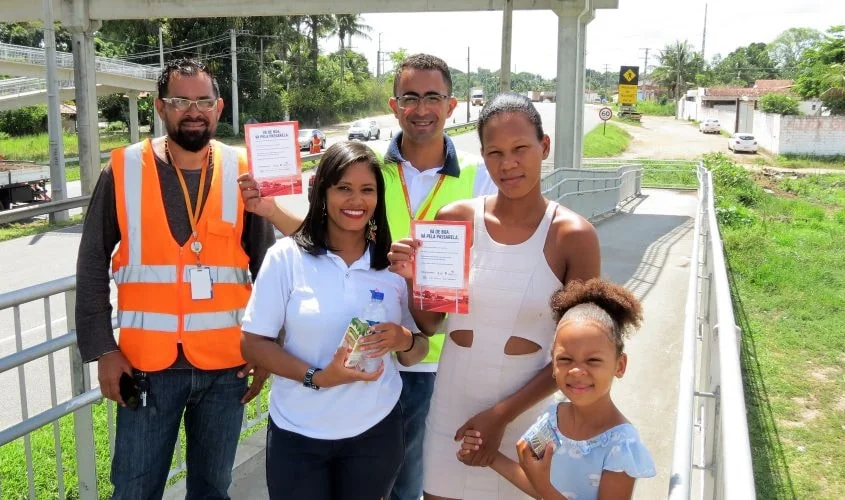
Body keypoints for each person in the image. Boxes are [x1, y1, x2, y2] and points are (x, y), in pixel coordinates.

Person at [238, 54, 497, 500]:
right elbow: (318, 236)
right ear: (394, 106)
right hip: (373, 367)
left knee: (413, 483)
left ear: (452, 105)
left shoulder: (480, 176)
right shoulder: (366, 162)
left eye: (432, 97)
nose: (421, 108)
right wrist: (271, 210)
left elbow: (495, 263)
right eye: (410, 97)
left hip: (437, 355)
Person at [74, 58, 275, 499]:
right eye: (181, 101)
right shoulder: (124, 170)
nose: (193, 110)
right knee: (134, 489)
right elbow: (91, 263)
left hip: (226, 368)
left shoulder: (242, 172)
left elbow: (269, 266)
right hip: (147, 367)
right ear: (161, 107)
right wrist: (103, 349)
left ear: (219, 108)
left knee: (212, 489)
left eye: (203, 100)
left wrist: (268, 346)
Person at [388, 92, 602, 500]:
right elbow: (431, 324)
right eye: (495, 153)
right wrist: (418, 280)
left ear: (544, 146)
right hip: (450, 410)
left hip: (526, 419)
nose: (508, 164)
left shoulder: (573, 236)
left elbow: (578, 356)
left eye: (521, 148)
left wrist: (500, 417)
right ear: (483, 157)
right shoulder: (454, 219)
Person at [239, 140, 431, 500]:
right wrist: (319, 378)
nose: (355, 201)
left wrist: (403, 338)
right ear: (322, 192)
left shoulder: (392, 267)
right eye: (343, 188)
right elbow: (253, 343)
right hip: (297, 434)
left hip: (375, 432)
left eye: (366, 190)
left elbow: (417, 349)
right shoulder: (286, 257)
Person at [459, 279, 656, 499]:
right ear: (553, 365)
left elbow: (543, 487)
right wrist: (489, 457)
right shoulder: (552, 418)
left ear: (620, 366)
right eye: (565, 359)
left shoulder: (621, 445)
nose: (577, 371)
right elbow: (535, 479)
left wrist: (544, 487)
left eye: (592, 360)